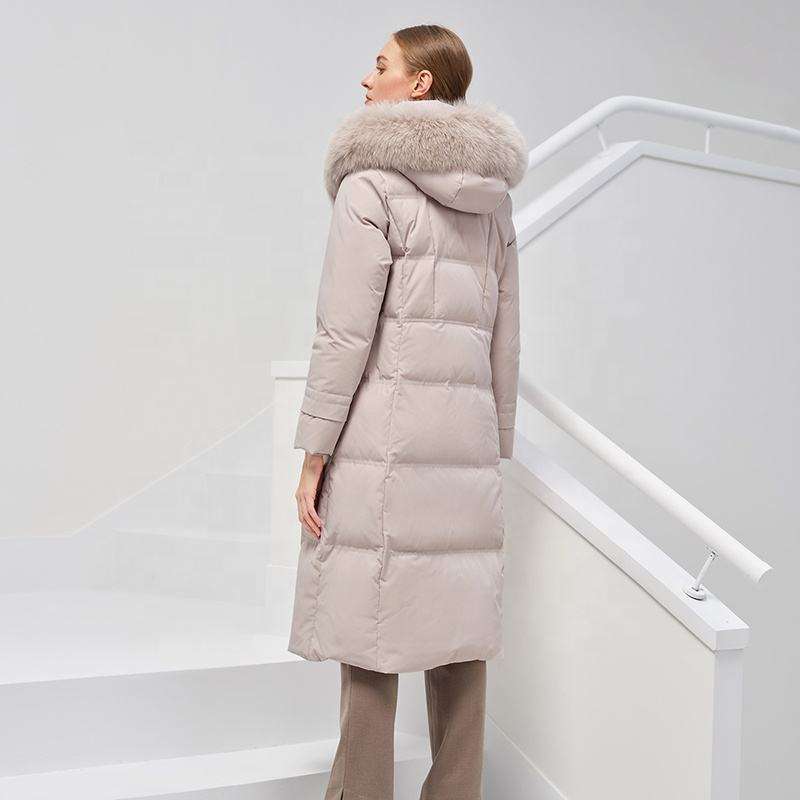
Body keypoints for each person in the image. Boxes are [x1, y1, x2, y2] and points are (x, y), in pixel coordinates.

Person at [289, 23, 526, 800]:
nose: (367, 79)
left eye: (381, 64)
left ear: (419, 83)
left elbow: (344, 332)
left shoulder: (371, 185)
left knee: (369, 625)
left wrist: (315, 451)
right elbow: (505, 334)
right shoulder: (493, 201)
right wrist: (493, 440)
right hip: (463, 451)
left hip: (382, 443)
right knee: (458, 636)